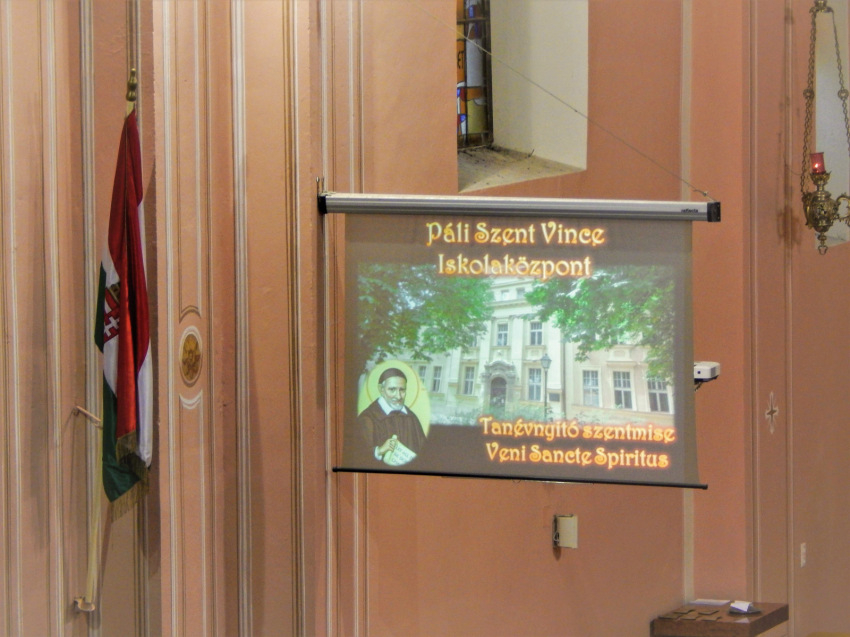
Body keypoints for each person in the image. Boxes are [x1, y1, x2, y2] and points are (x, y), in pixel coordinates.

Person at [356, 367, 426, 466]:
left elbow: (424, 451)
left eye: (402, 390)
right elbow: (357, 455)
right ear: (381, 389)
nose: (398, 396)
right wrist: (379, 451)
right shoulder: (368, 418)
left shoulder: (411, 418)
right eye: (392, 389)